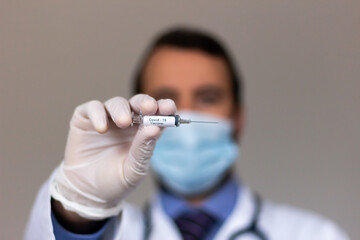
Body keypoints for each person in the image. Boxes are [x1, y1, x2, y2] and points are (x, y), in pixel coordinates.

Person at [24, 27, 349, 240]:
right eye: (168, 99)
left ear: (239, 117)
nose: (186, 113)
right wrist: (80, 211)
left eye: (208, 98)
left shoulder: (314, 234)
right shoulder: (118, 233)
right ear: (136, 117)